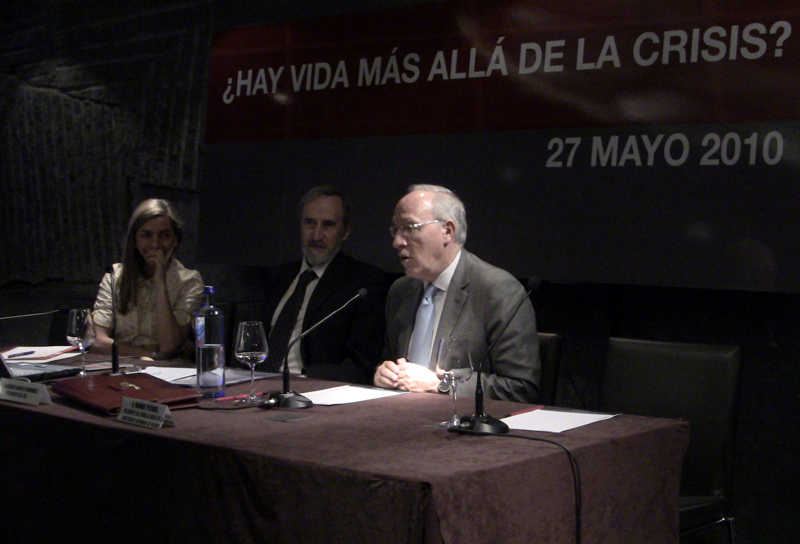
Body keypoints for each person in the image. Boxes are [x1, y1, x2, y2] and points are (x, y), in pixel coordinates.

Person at [374, 185, 540, 403]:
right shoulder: (401, 291)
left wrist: (441, 385)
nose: (397, 241)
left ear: (447, 231)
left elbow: (521, 388)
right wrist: (384, 373)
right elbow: (392, 363)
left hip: (461, 421)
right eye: (395, 230)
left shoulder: (498, 291)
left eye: (409, 228)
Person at [259, 186, 387, 384]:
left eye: (327, 225)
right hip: (255, 383)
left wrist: (303, 379)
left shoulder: (364, 284)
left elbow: (361, 365)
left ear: (345, 232)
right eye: (310, 223)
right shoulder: (278, 276)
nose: (316, 236)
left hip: (312, 388)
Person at [93, 199, 205, 361]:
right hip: (123, 366)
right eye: (146, 235)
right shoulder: (114, 276)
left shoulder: (190, 282)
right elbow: (98, 342)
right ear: (135, 239)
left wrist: (160, 282)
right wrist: (152, 355)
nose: (155, 244)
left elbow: (169, 345)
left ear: (176, 240)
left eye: (165, 236)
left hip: (168, 371)